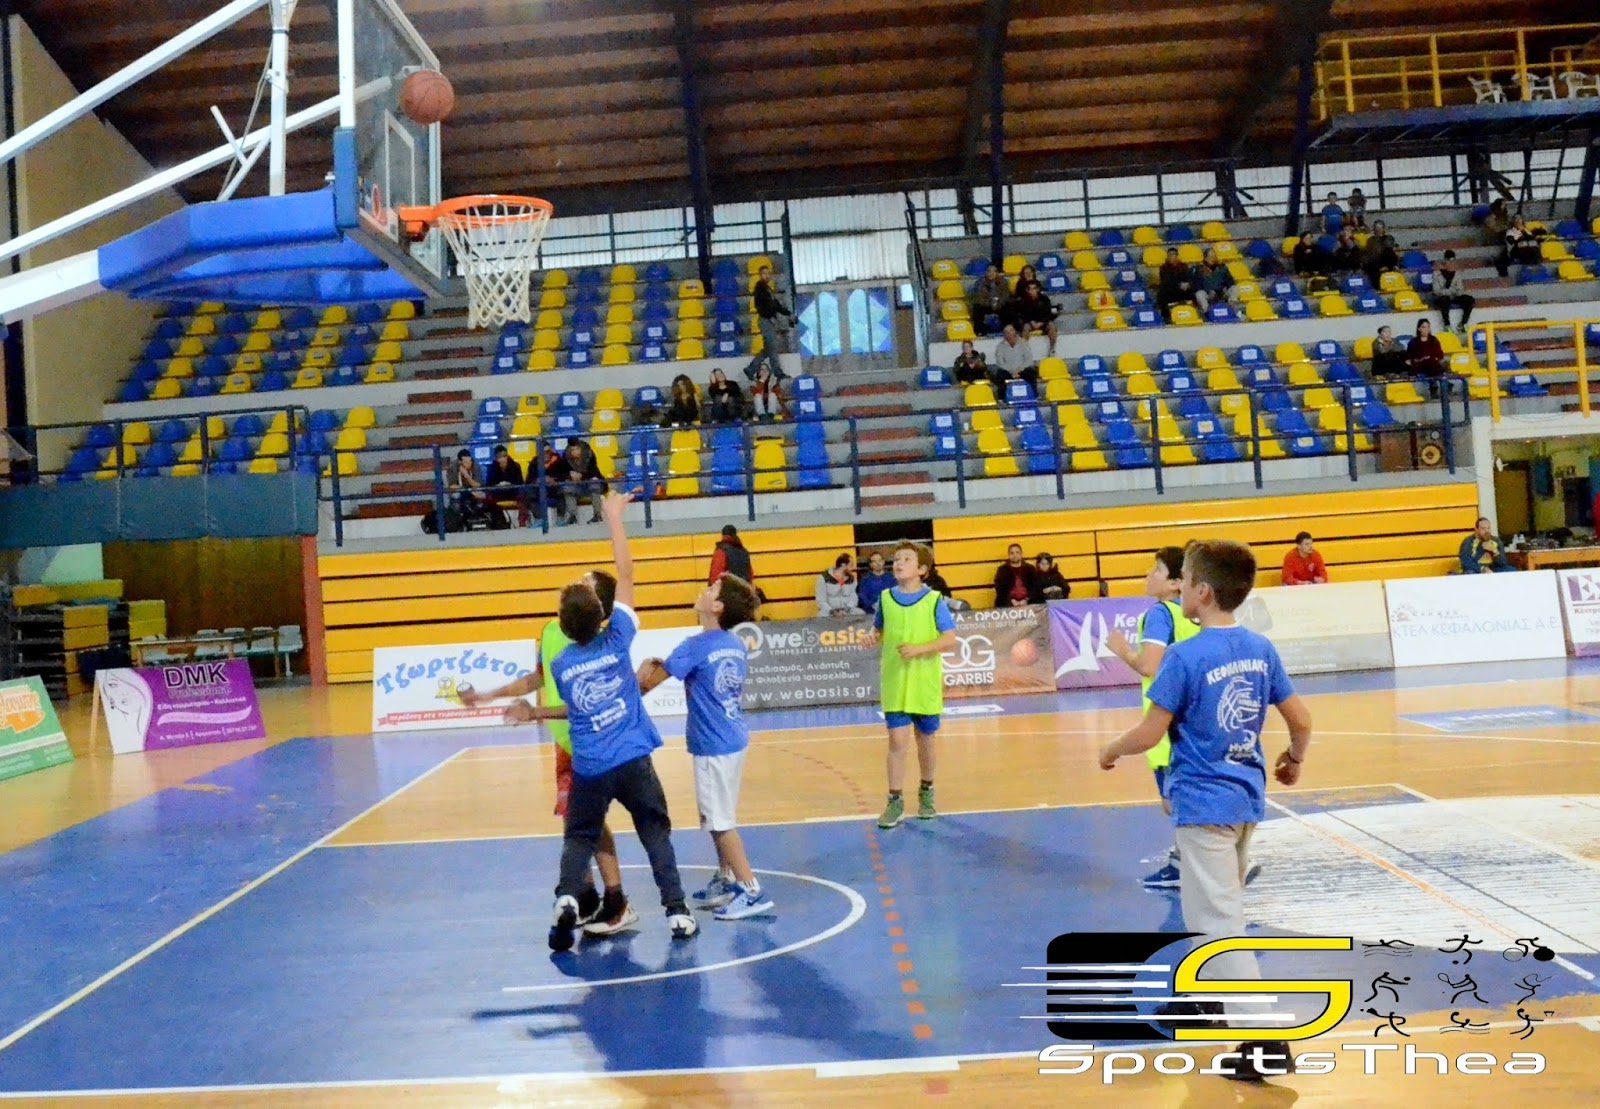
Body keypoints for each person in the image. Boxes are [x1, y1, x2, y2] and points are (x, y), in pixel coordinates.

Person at [1098, 540, 1313, 1083]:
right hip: (1245, 799)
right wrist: (1293, 760)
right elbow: (1302, 720)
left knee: (1217, 921)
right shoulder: (1260, 648)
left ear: (1203, 592)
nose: (1180, 592)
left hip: (1202, 804)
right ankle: (1206, 999)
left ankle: (1264, 1040)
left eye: (1187, 581)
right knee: (1205, 911)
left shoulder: (1184, 657)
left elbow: (1151, 731)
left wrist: (1111, 749)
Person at [546, 491, 697, 952]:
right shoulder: (618, 640)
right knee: (655, 835)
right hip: (633, 759)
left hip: (591, 767)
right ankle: (677, 911)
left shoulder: (562, 664)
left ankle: (567, 897)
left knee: (579, 837)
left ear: (564, 625)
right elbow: (626, 573)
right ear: (605, 616)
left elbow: (577, 707)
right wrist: (614, 518)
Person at [459, 568, 633, 936]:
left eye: (587, 583)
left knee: (587, 822)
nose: (578, 583)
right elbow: (537, 677)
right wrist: (488, 695)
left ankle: (616, 900)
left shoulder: (600, 639)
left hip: (593, 742)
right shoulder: (552, 631)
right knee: (575, 821)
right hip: (564, 744)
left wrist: (535, 713)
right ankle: (588, 895)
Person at [637, 572, 772, 921]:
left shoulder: (695, 646)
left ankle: (751, 890)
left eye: (712, 588)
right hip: (733, 737)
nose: (704, 589)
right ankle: (726, 879)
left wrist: (642, 671)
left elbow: (646, 686)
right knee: (718, 815)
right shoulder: (733, 643)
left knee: (720, 822)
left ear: (718, 606)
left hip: (713, 744)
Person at [1103, 547, 1202, 890]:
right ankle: (1206, 859)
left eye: (1157, 569)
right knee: (1189, 794)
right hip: (1196, 715)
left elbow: (1149, 665)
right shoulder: (1195, 614)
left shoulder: (1161, 614)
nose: (1149, 573)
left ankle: (1193, 864)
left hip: (1167, 719)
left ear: (1176, 582)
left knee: (1173, 800)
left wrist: (1121, 650)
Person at [869, 541, 958, 829]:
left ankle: (927, 790)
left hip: (924, 682)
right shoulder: (885, 598)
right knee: (897, 741)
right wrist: (872, 636)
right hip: (895, 681)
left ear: (921, 569)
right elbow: (879, 628)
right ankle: (894, 800)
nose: (898, 563)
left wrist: (919, 649)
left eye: (906, 559)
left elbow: (949, 639)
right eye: (896, 559)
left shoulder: (934, 600)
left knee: (926, 740)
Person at [743, 264, 794, 381]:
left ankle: (751, 369)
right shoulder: (760, 288)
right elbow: (763, 307)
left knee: (768, 348)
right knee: (773, 348)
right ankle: (778, 372)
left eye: (768, 273)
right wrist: (771, 316)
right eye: (764, 273)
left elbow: (776, 305)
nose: (767, 275)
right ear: (760, 275)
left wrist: (788, 313)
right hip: (765, 320)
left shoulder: (767, 289)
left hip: (767, 319)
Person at [547, 438, 605, 526]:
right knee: (567, 488)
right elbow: (562, 473)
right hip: (576, 485)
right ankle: (572, 516)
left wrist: (582, 475)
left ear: (581, 448)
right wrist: (570, 474)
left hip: (588, 482)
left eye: (577, 449)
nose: (575, 452)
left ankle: (597, 515)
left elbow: (594, 471)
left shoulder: (589, 455)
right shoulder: (566, 457)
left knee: (595, 484)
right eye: (572, 450)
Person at [1005, 280, 1059, 355]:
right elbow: (1022, 314)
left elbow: (1048, 313)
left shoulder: (1044, 299)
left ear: (1038, 289)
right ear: (1027, 290)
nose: (1032, 291)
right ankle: (1022, 350)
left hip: (1042, 322)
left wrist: (1042, 322)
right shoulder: (1023, 301)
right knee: (1025, 328)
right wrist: (1031, 321)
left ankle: (1052, 348)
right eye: (1030, 289)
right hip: (1030, 322)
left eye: (1034, 288)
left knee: (1052, 326)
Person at [485, 444, 529, 527]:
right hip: (498, 492)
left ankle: (522, 521)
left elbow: (520, 482)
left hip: (512, 491)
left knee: (523, 492)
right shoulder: (491, 468)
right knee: (488, 496)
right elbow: (489, 484)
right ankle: (499, 522)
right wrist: (498, 485)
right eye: (499, 457)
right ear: (496, 458)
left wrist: (510, 484)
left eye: (504, 456)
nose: (502, 459)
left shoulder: (515, 466)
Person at [1432, 250, 1475, 334]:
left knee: (1469, 299)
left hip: (1454, 296)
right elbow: (1436, 291)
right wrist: (1451, 291)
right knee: (1444, 299)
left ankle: (1463, 323)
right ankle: (1447, 325)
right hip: (1442, 298)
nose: (1451, 263)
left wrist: (1451, 292)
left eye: (1453, 261)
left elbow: (1460, 290)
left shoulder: (1457, 274)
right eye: (1449, 261)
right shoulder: (1436, 274)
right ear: (1445, 261)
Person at [990, 325, 1038, 392]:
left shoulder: (1024, 343)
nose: (1009, 334)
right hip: (1009, 372)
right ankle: (1002, 395)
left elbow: (1029, 360)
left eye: (1011, 331)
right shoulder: (1000, 347)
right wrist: (1011, 371)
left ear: (1015, 332)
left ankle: (1034, 393)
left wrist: (1019, 369)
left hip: (1022, 370)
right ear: (1004, 335)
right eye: (1007, 332)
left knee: (1031, 372)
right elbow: (1000, 363)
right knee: (1000, 374)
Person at [992, 542, 1041, 607]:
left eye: (1017, 552)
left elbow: (1035, 588)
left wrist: (1026, 600)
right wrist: (1011, 600)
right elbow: (1000, 589)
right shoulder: (1002, 570)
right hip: (1007, 604)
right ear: (1009, 555)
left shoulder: (1030, 569)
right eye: (1012, 553)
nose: (1015, 555)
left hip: (1029, 602)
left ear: (1021, 554)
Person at [1156, 247, 1198, 321]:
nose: (1171, 257)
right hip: (1170, 290)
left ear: (1177, 256)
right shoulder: (1163, 268)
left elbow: (1188, 277)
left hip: (1183, 290)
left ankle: (1195, 313)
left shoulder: (1183, 266)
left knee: (1193, 291)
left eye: (1173, 254)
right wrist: (1179, 285)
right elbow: (1166, 281)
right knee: (1162, 294)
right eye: (1169, 255)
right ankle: (1166, 317)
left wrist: (1187, 284)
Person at [969, 263, 1010, 335]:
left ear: (997, 273)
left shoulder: (1003, 282)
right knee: (977, 308)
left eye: (994, 271)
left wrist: (997, 303)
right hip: (986, 305)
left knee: (1008, 307)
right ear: (985, 272)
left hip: (999, 304)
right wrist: (991, 303)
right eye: (989, 271)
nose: (991, 273)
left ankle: (1007, 329)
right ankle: (980, 331)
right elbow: (979, 298)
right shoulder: (980, 283)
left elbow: (1005, 296)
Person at [1193, 247, 1233, 313]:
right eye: (1211, 257)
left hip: (1221, 291)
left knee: (1234, 288)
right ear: (1205, 258)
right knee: (1199, 294)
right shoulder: (1200, 269)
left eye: (1214, 257)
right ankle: (1207, 312)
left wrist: (1225, 287)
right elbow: (1197, 285)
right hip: (1209, 293)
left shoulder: (1222, 267)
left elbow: (1230, 280)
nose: (1213, 259)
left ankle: (1231, 309)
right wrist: (1208, 290)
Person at [856, 550, 896, 615]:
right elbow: (863, 597)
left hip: (889, 611)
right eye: (874, 561)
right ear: (871, 565)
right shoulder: (865, 580)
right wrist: (872, 605)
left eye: (880, 560)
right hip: (871, 613)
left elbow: (896, 594)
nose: (878, 563)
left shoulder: (892, 578)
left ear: (883, 562)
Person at [447, 448, 484, 517]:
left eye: (470, 461)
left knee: (481, 494)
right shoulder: (453, 467)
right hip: (461, 490)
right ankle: (458, 516)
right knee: (456, 495)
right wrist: (466, 490)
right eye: (466, 463)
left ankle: (478, 515)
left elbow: (478, 485)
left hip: (472, 490)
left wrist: (467, 476)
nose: (469, 464)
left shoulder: (475, 465)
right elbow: (452, 486)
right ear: (460, 462)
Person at [1362, 220, 1399, 285]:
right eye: (1376, 228)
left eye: (1380, 227)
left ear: (1383, 229)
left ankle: (1389, 267)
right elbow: (1371, 252)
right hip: (1375, 262)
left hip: (1386, 260)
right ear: (1374, 229)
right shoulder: (1370, 240)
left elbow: (1388, 248)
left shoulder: (1388, 238)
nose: (1378, 230)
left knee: (1388, 252)